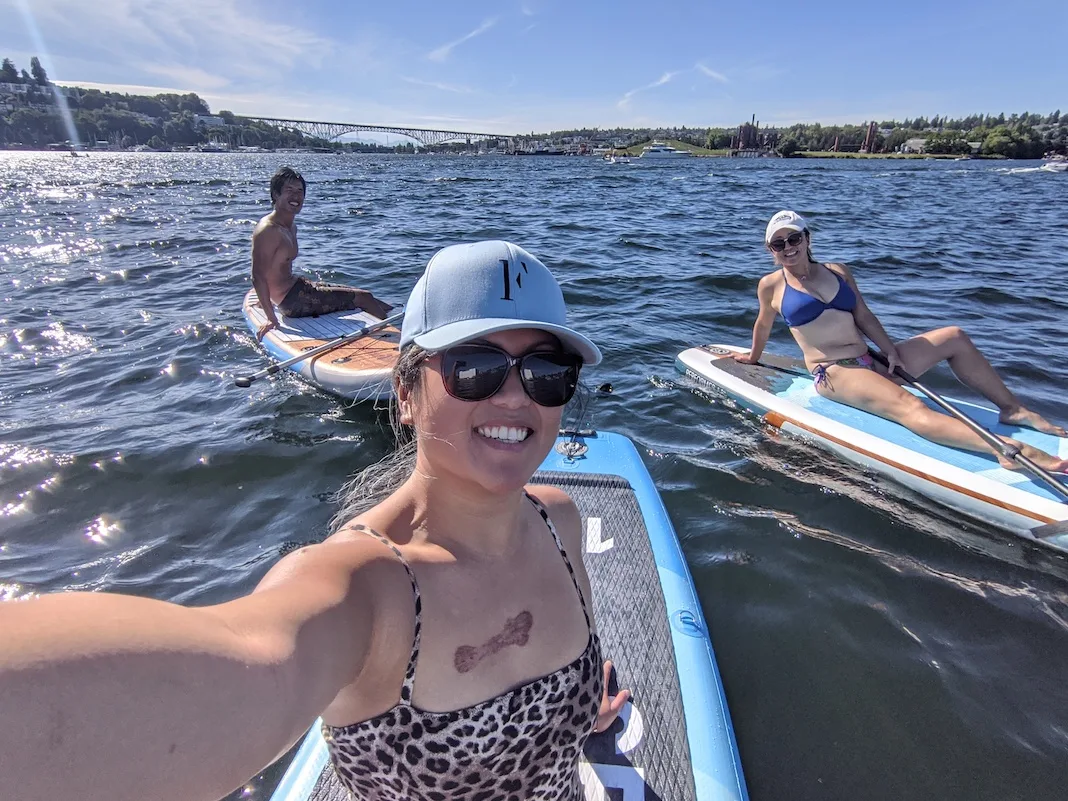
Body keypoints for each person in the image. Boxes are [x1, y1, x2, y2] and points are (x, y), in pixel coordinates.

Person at [0, 240, 629, 801]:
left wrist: (576, 703)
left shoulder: (558, 519)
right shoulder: (367, 589)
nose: (517, 395)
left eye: (549, 372)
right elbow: (248, 662)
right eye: (475, 367)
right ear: (405, 394)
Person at [735, 210, 1067, 472]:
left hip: (872, 360)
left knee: (955, 337)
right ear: (771, 251)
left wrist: (891, 351)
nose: (788, 247)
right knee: (912, 407)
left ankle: (1013, 410)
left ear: (807, 238)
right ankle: (1007, 449)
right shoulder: (770, 285)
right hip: (833, 373)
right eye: (778, 244)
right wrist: (753, 357)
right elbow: (762, 324)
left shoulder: (838, 270)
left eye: (793, 238)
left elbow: (864, 316)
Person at [251, 166, 392, 341]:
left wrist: (267, 298)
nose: (296, 196)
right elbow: (258, 276)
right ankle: (397, 343)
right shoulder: (268, 230)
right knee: (365, 298)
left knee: (370, 298)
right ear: (276, 195)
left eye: (300, 191)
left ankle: (396, 319)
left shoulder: (290, 226)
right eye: (289, 190)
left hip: (300, 288)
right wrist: (271, 317)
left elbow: (275, 268)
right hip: (292, 302)